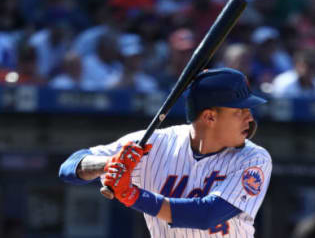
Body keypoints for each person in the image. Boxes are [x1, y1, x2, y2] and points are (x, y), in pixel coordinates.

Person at [59, 68, 272, 237]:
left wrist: (132, 195)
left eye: (248, 110)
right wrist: (110, 164)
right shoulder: (155, 143)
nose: (250, 118)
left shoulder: (254, 158)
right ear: (209, 117)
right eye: (239, 111)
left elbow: (207, 215)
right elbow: (69, 167)